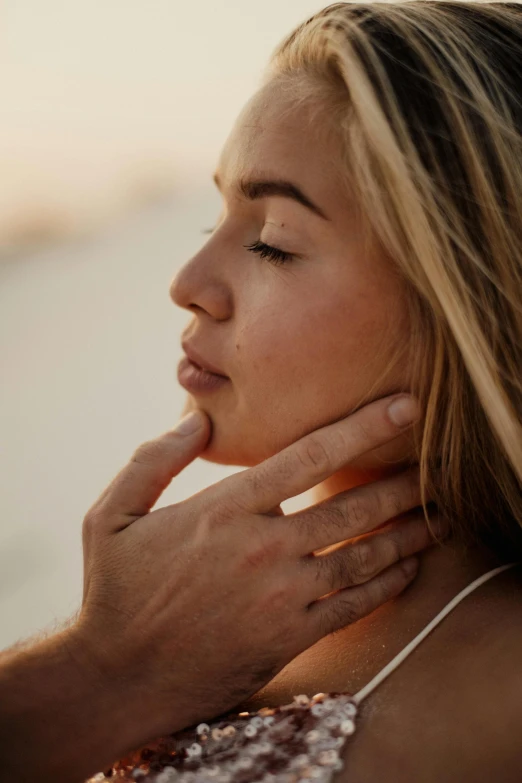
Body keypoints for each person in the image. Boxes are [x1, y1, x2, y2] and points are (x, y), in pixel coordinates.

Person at [1, 0, 520, 781]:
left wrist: (105, 672)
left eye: (273, 243)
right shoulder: (194, 609)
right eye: (214, 214)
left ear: (466, 308)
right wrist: (102, 658)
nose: (187, 284)